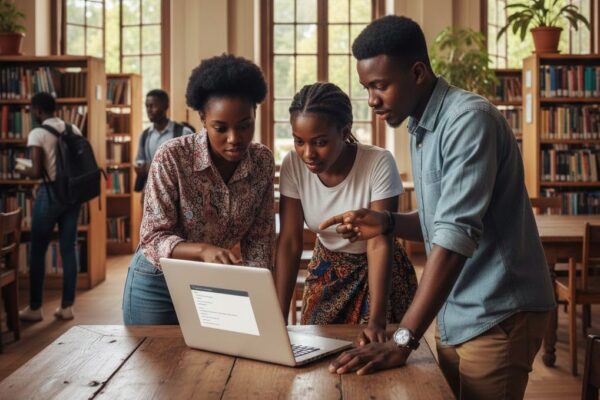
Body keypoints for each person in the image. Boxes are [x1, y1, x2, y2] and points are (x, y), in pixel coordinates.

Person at [320, 16, 555, 400]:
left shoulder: (468, 121)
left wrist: (402, 339)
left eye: (380, 86)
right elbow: (438, 221)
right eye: (367, 88)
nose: (372, 100)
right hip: (457, 311)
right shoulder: (421, 126)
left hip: (498, 312)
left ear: (417, 72)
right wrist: (387, 221)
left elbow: (455, 235)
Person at [122, 54, 275, 325]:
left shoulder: (262, 161)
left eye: (244, 126)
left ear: (255, 114)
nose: (234, 138)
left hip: (217, 281)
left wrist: (261, 299)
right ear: (203, 118)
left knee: (216, 364)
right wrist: (203, 250)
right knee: (156, 365)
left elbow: (260, 239)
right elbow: (152, 237)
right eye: (221, 128)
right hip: (158, 283)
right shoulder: (172, 156)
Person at [275, 82, 417, 344]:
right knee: (314, 348)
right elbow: (290, 242)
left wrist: (377, 320)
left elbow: (378, 241)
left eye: (320, 142)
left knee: (374, 353)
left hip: (379, 269)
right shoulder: (292, 165)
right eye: (299, 141)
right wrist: (277, 318)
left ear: (344, 131)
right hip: (327, 269)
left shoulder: (378, 162)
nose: (308, 154)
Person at [18, 92, 84, 321]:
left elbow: (36, 171)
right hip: (74, 194)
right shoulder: (73, 128)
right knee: (68, 248)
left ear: (38, 110)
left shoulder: (37, 133)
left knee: (37, 249)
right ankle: (67, 307)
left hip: (50, 193)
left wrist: (21, 168)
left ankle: (35, 308)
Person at [133, 89, 194, 194]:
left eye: (153, 106)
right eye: (147, 106)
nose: (149, 110)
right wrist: (140, 166)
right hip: (150, 193)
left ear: (166, 106)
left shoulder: (184, 132)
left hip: (177, 194)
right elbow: (139, 160)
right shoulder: (145, 135)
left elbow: (192, 165)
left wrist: (154, 168)